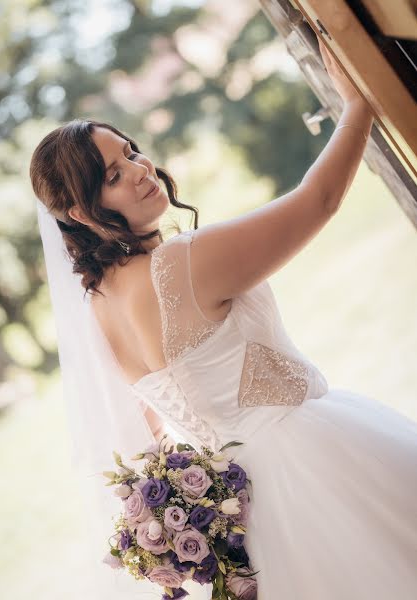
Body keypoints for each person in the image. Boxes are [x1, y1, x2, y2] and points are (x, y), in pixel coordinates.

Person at [31, 38, 417, 600]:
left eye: (131, 152)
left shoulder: (100, 309)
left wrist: (181, 510)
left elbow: (146, 426)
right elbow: (319, 201)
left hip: (252, 523)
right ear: (79, 212)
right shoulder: (178, 266)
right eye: (112, 176)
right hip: (318, 463)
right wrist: (359, 98)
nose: (140, 170)